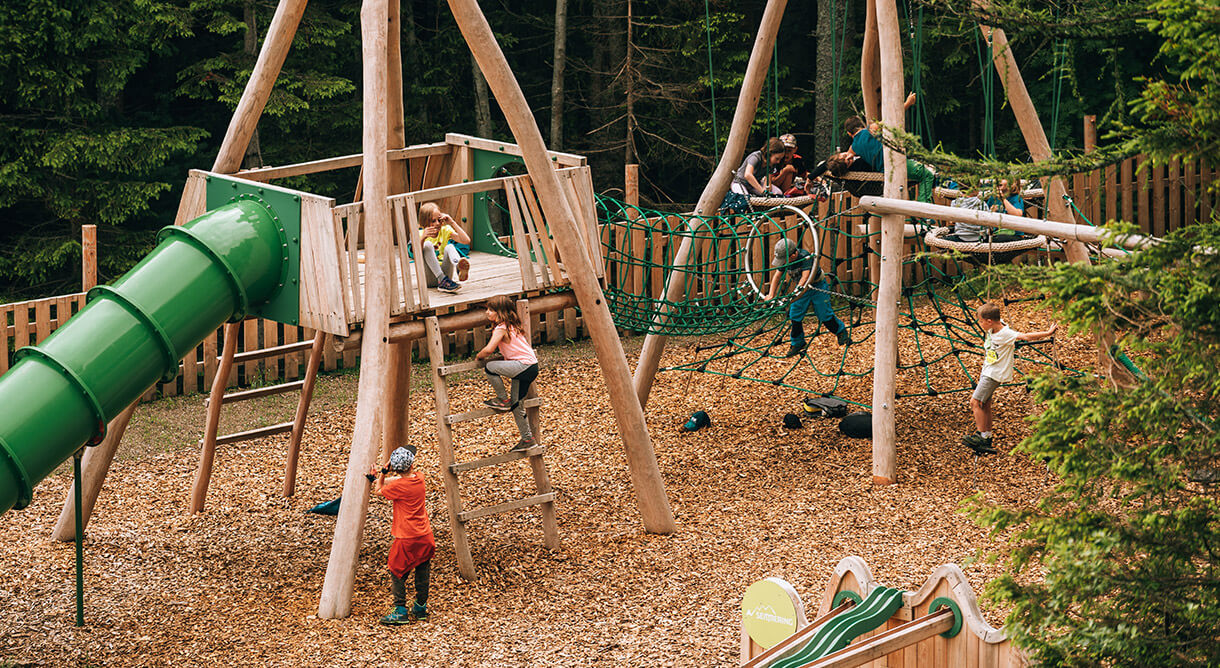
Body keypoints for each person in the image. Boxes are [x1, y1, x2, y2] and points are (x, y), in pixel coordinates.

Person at [962, 303, 1058, 455]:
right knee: (985, 403)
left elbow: (1025, 336)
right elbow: (996, 316)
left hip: (993, 374)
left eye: (980, 321)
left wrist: (1047, 333)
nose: (979, 324)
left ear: (989, 321)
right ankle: (987, 436)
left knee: (975, 402)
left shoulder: (1004, 333)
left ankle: (980, 436)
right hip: (988, 370)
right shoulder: (994, 327)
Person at [370, 446, 435, 625]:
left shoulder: (398, 486)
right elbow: (397, 481)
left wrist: (382, 472)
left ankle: (400, 610)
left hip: (407, 537)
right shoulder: (419, 479)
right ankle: (420, 607)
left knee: (396, 569)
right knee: (422, 568)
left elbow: (379, 490)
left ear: (395, 468)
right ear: (412, 465)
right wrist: (382, 476)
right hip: (425, 535)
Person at [764, 238, 850, 357]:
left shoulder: (805, 257)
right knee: (794, 314)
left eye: (784, 259)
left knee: (824, 314)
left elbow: (805, 278)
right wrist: (771, 294)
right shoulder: (786, 261)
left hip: (816, 286)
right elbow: (776, 277)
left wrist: (793, 296)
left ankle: (841, 332)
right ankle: (798, 343)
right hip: (801, 290)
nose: (783, 263)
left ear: (793, 254)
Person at [476, 295, 540, 451]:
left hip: (522, 366)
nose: (487, 313)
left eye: (491, 310)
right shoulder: (513, 325)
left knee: (490, 367)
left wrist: (479, 356)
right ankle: (528, 440)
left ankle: (502, 399)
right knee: (517, 405)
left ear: (500, 312)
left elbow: (489, 349)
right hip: (532, 366)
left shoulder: (501, 328)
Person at [418, 201, 471, 294]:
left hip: (446, 276)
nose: (437, 223)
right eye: (433, 221)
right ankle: (442, 280)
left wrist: (452, 222)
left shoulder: (445, 230)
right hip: (429, 278)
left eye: (439, 220)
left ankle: (459, 268)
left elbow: (466, 241)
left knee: (450, 246)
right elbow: (415, 255)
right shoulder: (419, 234)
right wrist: (422, 239)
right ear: (424, 222)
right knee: (427, 245)